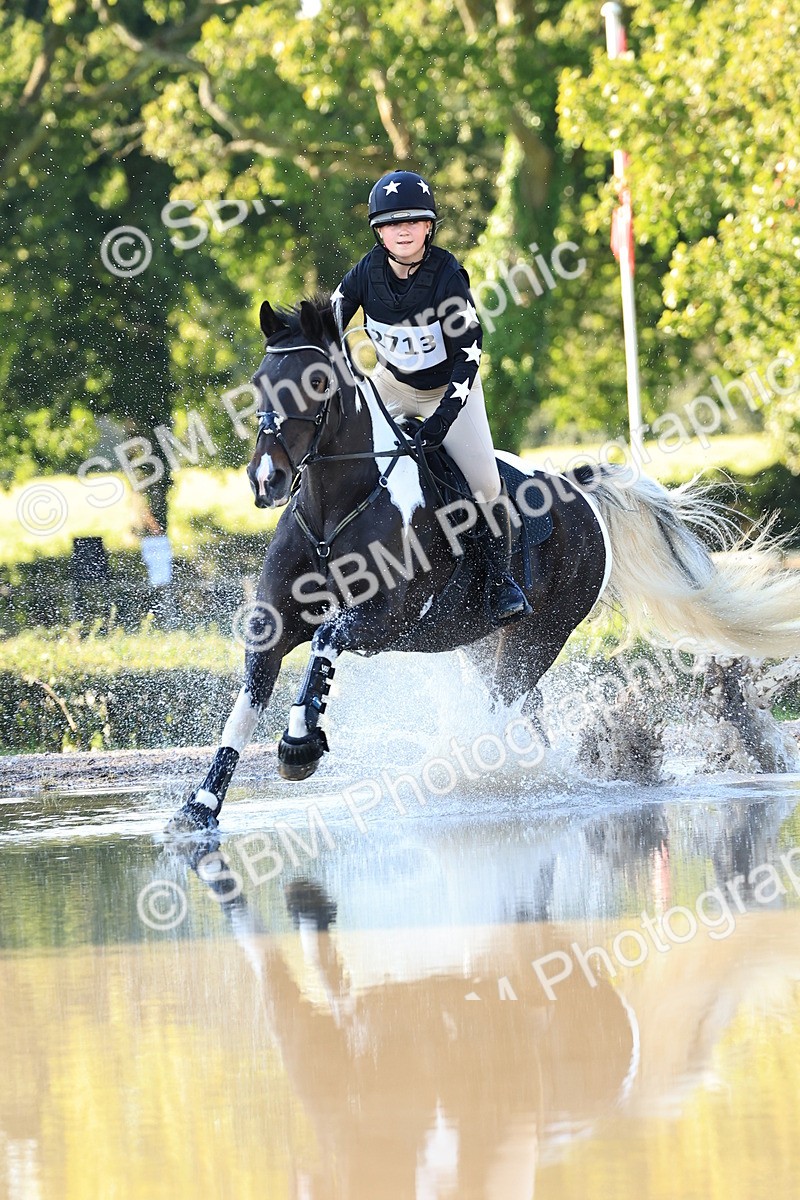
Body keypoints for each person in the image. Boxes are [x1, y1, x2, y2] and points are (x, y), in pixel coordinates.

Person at [331, 169, 531, 624]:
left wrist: (442, 419)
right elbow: (330, 323)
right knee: (341, 450)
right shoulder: (364, 273)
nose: (402, 230)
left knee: (486, 484)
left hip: (451, 390)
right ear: (379, 231)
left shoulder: (447, 276)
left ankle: (500, 582)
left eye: (413, 221)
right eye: (391, 223)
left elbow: (469, 354)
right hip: (391, 383)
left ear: (428, 227)